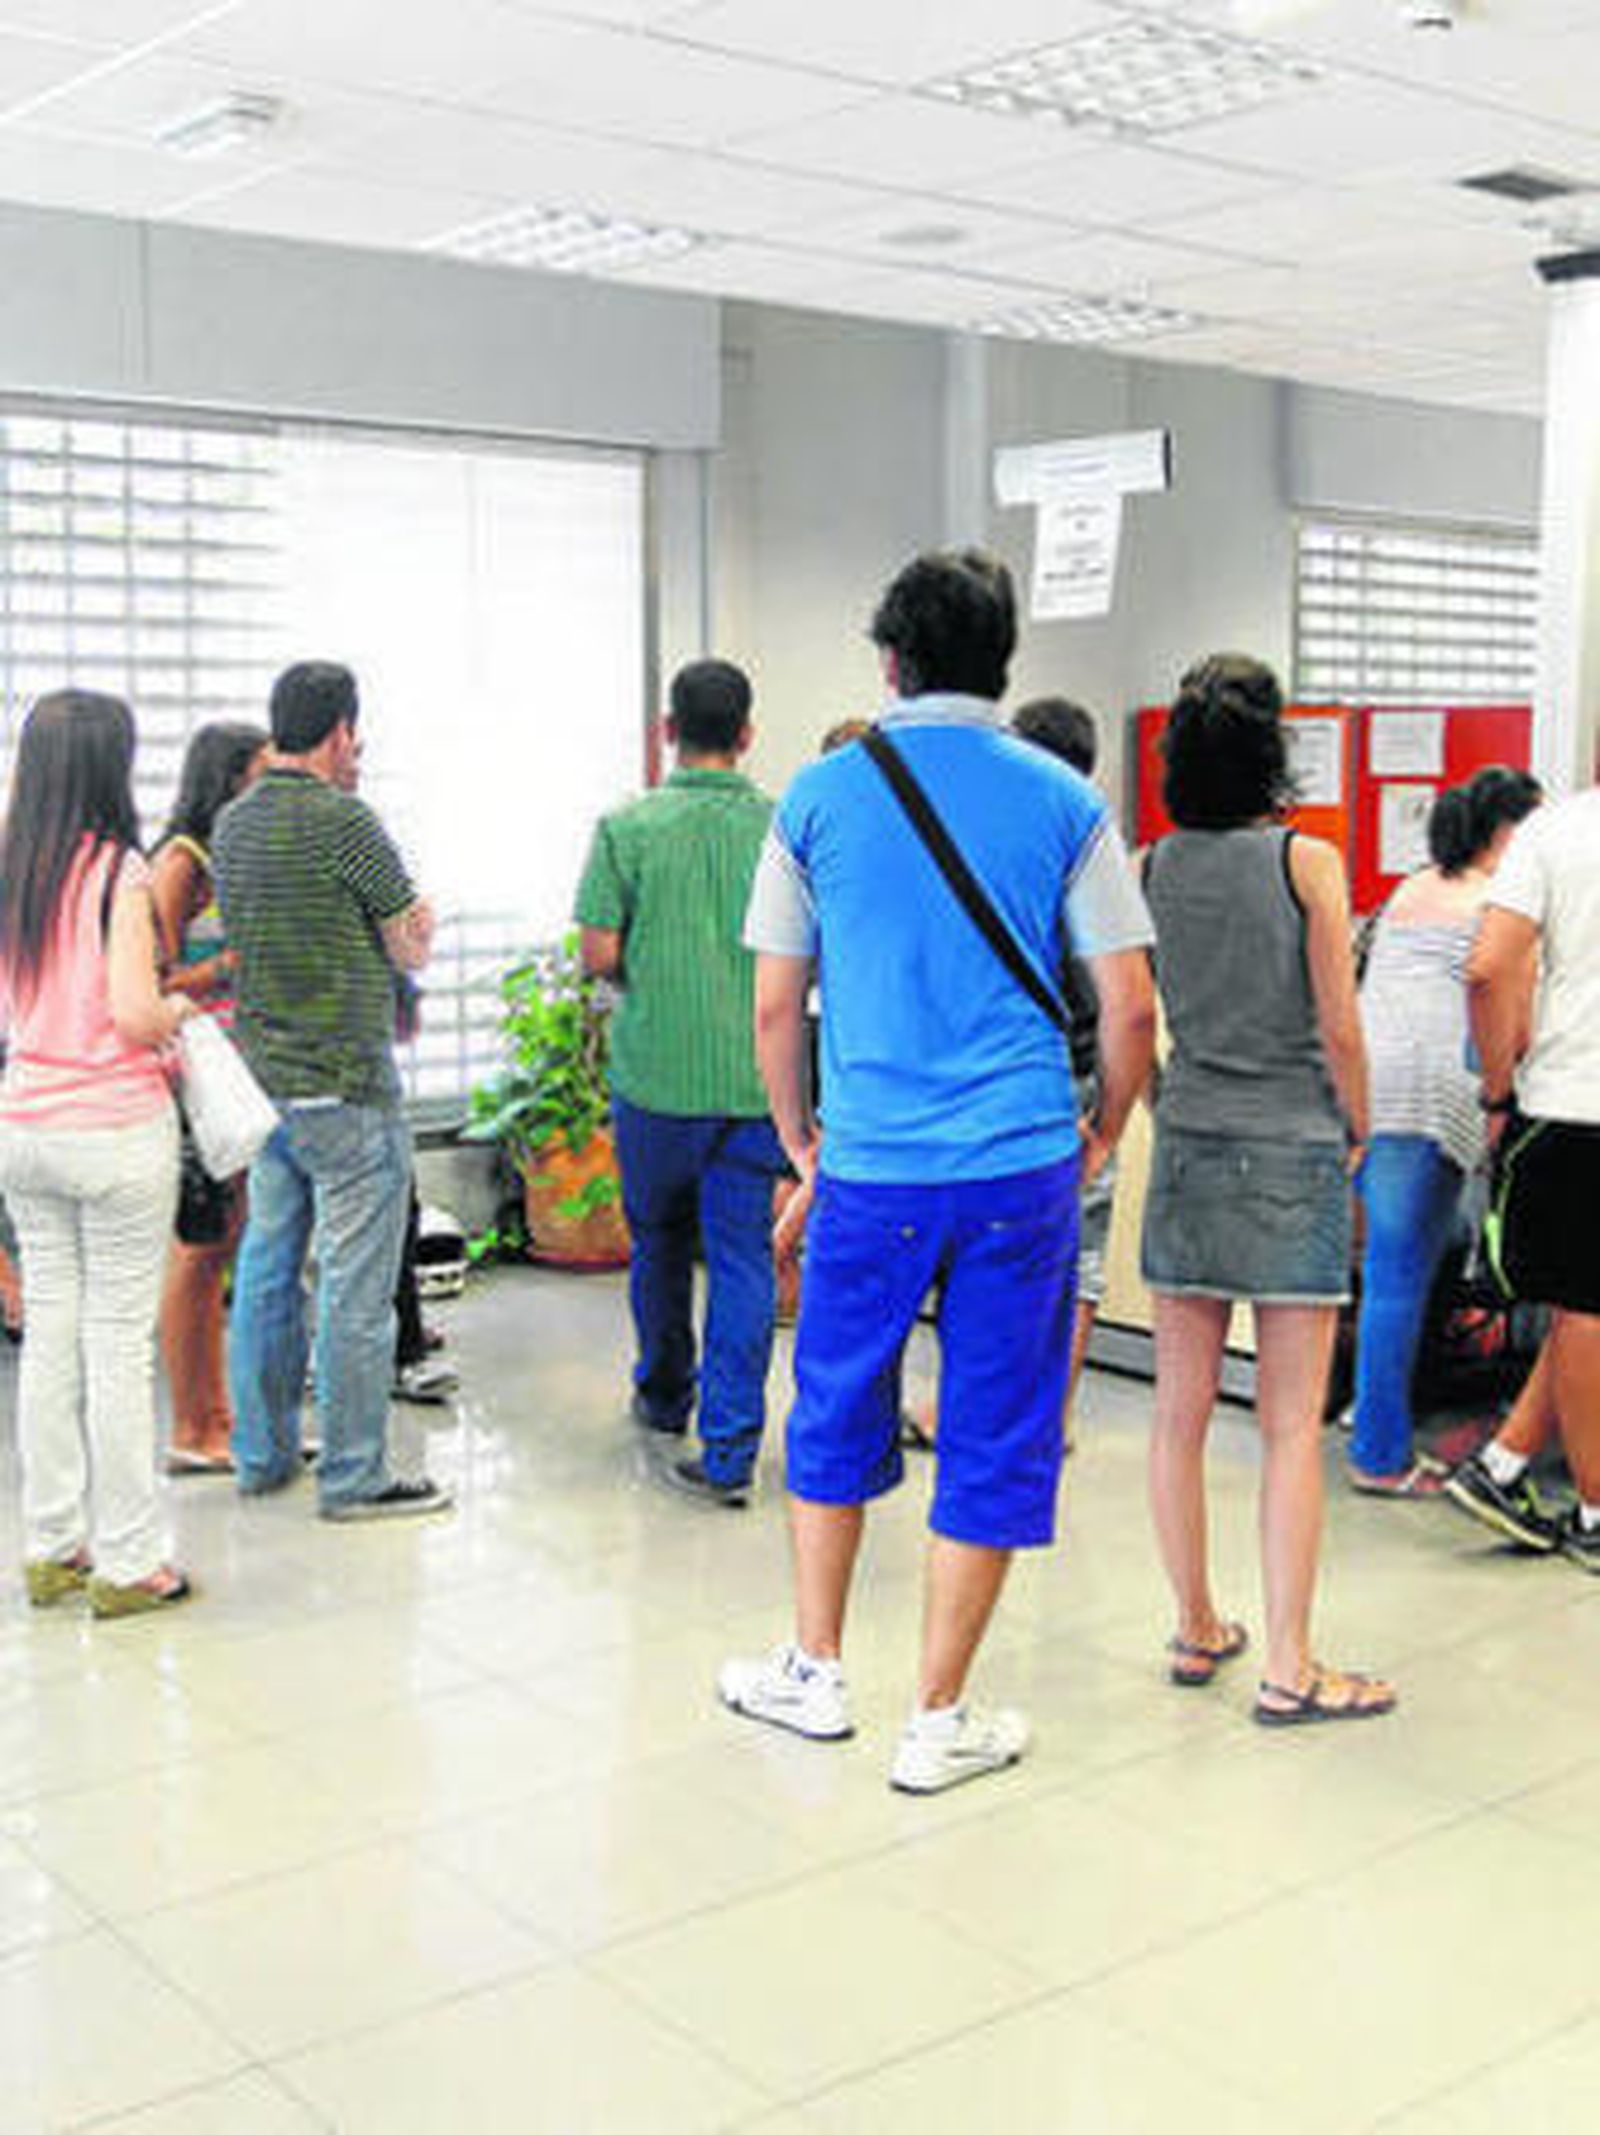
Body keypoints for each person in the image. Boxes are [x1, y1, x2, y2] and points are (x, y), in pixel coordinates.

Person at [720, 550, 1155, 1793]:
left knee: (837, 1396)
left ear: (889, 659)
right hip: (1023, 1162)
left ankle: (814, 1670)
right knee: (996, 1420)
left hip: (874, 1166)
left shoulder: (814, 797)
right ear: (1002, 660)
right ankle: (938, 1713)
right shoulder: (1064, 799)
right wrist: (1102, 1131)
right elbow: (1127, 1009)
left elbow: (774, 1004)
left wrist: (805, 1140)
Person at [1141, 653, 1394, 1724]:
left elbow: (1127, 1009)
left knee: (1175, 1417)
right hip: (1292, 1147)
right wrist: (1359, 1126)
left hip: (1189, 1144)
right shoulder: (1308, 862)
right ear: (1270, 755)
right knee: (1289, 1424)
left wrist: (1159, 1098)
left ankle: (1197, 1622)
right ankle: (1291, 1663)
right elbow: (1339, 1022)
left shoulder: (1149, 865)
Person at [213, 661, 450, 1520]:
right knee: (355, 1284)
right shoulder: (347, 821)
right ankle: (355, 1474)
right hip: (348, 1090)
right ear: (342, 730)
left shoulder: (233, 824)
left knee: (270, 1268)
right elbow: (409, 945)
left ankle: (262, 1454)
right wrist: (418, 921)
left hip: (266, 1086)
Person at [0, 690, 195, 1615]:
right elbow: (130, 1012)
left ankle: (50, 1545)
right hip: (114, 1131)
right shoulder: (118, 871)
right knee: (119, 1343)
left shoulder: (14, 869)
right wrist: (179, 1013)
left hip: (26, 1125)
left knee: (51, 1334)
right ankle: (128, 1561)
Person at [576, 658, 785, 1506]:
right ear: (746, 734)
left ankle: (665, 1397)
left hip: (656, 1077)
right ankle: (731, 1450)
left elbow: (596, 952)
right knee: (742, 1258)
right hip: (753, 1081)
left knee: (659, 1240)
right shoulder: (783, 827)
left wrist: (654, 960)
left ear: (668, 731)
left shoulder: (626, 826)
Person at [1348, 767, 1542, 1496]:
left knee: (1399, 1269)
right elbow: (1504, 996)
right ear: (1506, 829)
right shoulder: (1494, 900)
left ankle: (1376, 1414)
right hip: (1433, 1096)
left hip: (1376, 1089)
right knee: (1400, 1275)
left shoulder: (1413, 886)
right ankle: (1379, 1453)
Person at [1444, 761, 1600, 1568]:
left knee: (1583, 1304)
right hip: (1585, 1106)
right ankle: (1595, 1512)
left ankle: (1504, 1462)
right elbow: (1487, 965)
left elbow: (1486, 967)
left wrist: (1502, 1087)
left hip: (1566, 1103)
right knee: (1587, 1310)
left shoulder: (1556, 830)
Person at [150, 720, 270, 1475]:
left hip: (233, 1074)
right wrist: (229, 962)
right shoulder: (179, 863)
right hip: (196, 1079)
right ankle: (194, 1425)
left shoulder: (226, 858)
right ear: (224, 780)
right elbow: (149, 977)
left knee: (228, 1241)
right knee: (199, 1251)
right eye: (258, 774)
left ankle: (220, 1416)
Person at [1012, 694, 1116, 1446]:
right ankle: (1057, 1413)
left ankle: (980, 1410)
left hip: (1024, 1078)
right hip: (1087, 1071)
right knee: (1081, 1254)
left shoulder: (1015, 847)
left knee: (998, 1253)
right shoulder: (1098, 845)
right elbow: (1129, 997)